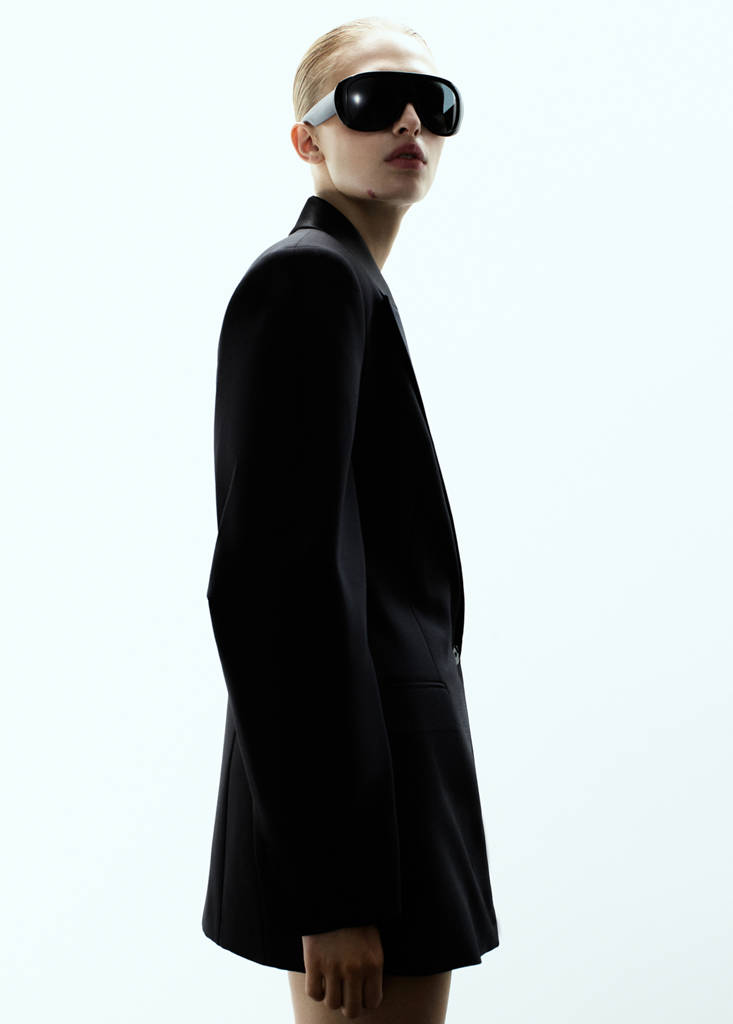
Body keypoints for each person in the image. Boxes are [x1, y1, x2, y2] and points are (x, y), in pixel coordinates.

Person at [201, 15, 500, 1024]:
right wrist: (330, 887)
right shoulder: (310, 279)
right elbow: (272, 586)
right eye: (371, 101)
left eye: (435, 105)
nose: (410, 122)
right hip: (360, 812)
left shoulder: (348, 283)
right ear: (308, 139)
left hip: (391, 787)